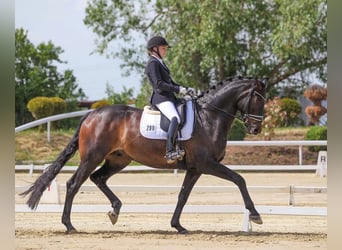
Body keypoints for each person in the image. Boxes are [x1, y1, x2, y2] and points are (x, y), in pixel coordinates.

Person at [145, 36, 193, 163]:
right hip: (161, 98)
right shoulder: (152, 63)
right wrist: (178, 90)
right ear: (154, 49)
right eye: (163, 48)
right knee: (175, 118)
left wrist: (184, 89)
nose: (165, 51)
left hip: (169, 97)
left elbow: (170, 82)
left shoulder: (160, 63)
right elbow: (158, 84)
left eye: (166, 48)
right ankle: (170, 151)